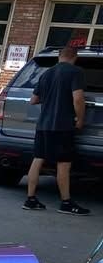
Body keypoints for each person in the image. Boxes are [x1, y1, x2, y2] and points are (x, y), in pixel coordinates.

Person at [23, 45, 89, 215]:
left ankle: (30, 199)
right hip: (62, 126)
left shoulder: (46, 73)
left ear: (59, 56)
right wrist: (80, 119)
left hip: (43, 125)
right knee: (64, 164)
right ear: (75, 57)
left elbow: (33, 100)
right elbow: (78, 99)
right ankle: (66, 202)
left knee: (38, 159)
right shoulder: (75, 72)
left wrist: (50, 98)